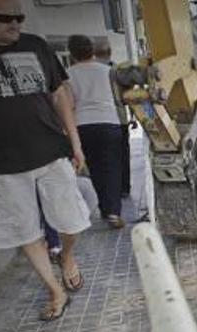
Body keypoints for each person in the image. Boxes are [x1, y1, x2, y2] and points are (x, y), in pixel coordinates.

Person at [0, 0, 91, 320]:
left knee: (72, 221)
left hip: (50, 151)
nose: (15, 25)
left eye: (19, 18)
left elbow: (59, 95)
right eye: (4, 19)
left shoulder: (36, 45)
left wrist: (76, 143)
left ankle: (67, 257)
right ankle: (55, 290)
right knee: (24, 231)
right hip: (1, 162)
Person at [66, 34, 125, 228]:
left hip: (83, 126)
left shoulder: (67, 74)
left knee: (95, 169)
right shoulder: (108, 71)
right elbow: (119, 98)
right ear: (92, 50)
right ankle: (113, 212)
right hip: (109, 122)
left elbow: (69, 104)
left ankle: (104, 208)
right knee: (112, 168)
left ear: (71, 53)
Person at [94, 39, 132, 200]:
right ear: (110, 53)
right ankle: (124, 188)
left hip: (97, 120)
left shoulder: (91, 71)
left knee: (102, 157)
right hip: (118, 119)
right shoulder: (118, 71)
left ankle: (107, 189)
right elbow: (128, 96)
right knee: (122, 154)